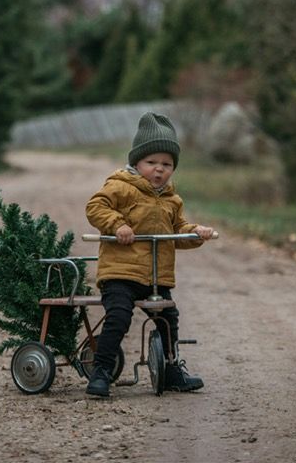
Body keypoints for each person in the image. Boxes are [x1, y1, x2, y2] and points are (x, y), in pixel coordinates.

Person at [85, 112, 215, 397]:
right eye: (151, 163)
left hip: (156, 278)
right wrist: (117, 224)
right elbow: (96, 207)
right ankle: (102, 371)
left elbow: (178, 231)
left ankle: (170, 371)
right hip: (121, 273)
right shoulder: (121, 186)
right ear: (136, 162)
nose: (159, 170)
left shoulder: (171, 199)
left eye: (166, 164)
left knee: (168, 319)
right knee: (119, 316)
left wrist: (196, 233)